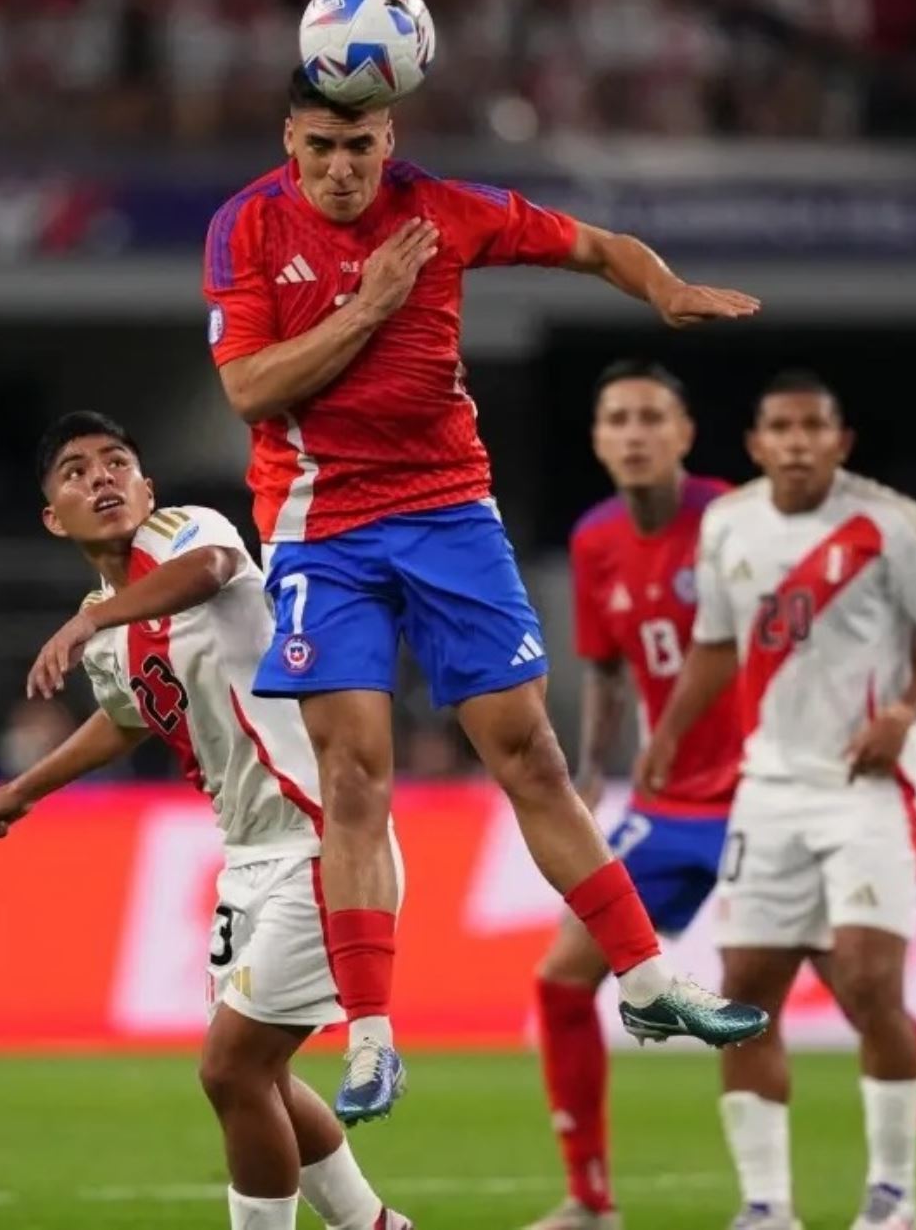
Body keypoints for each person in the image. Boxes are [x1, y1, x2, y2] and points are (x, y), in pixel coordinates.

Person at [202, 67, 767, 1124]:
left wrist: (664, 288)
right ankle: (371, 1036)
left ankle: (646, 984)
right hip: (320, 529)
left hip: (451, 515)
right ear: (289, 136)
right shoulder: (246, 229)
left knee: (530, 755)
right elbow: (249, 389)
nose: (337, 168)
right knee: (355, 775)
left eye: (358, 146)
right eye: (318, 145)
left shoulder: (446, 211)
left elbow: (597, 245)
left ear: (388, 136)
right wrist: (373, 305)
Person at [525, 363, 916, 1230]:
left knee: (865, 988)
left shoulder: (740, 510)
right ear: (597, 438)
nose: (634, 435)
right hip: (685, 804)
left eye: (652, 418)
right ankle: (594, 1199)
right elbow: (612, 664)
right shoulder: (602, 538)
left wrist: (901, 712)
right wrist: (613, 756)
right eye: (616, 420)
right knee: (569, 976)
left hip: (789, 785)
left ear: (688, 434)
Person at [0, 412, 413, 1230]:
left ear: (147, 487)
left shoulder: (184, 533)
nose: (100, 478)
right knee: (259, 1076)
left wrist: (96, 617)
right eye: (75, 471)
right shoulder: (110, 628)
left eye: (116, 462)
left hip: (324, 838)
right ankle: (373, 1225)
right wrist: (24, 791)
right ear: (52, 516)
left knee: (231, 1069)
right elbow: (127, 717)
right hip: (247, 859)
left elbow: (211, 569)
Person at [640, 373, 916, 1230]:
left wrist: (904, 712)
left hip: (869, 783)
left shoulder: (892, 524)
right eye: (781, 429)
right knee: (745, 992)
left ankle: (894, 1193)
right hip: (770, 786)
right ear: (756, 445)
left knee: (870, 983)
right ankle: (766, 1206)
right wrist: (667, 734)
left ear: (842, 441)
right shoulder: (728, 525)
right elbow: (717, 648)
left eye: (814, 428)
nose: (797, 441)